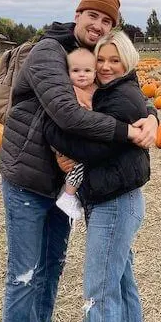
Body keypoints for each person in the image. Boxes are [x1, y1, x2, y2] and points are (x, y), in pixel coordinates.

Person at [0, 0, 158, 322]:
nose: (98, 25)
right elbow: (67, 116)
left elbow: (128, 87)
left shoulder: (96, 56)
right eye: (92, 16)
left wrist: (151, 118)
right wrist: (128, 133)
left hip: (61, 186)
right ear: (77, 14)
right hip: (28, 180)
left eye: (106, 21)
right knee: (24, 274)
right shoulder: (50, 53)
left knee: (51, 267)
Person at [43, 30, 151, 322]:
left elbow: (92, 145)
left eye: (113, 60)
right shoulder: (114, 94)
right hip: (115, 200)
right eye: (100, 59)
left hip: (114, 204)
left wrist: (54, 133)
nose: (105, 66)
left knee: (97, 297)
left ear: (127, 61)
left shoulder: (120, 98)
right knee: (121, 287)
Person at [54, 47, 98, 221]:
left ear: (95, 73)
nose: (82, 75)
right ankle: (68, 195)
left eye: (87, 71)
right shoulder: (70, 91)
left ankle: (70, 193)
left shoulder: (95, 89)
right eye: (76, 71)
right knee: (79, 166)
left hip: (87, 137)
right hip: (74, 138)